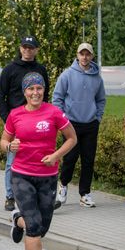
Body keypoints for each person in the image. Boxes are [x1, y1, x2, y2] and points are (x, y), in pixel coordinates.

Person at [0, 72, 77, 250]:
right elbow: (3, 141)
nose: (35, 93)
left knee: (41, 228)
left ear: (44, 90)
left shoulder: (54, 113)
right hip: (22, 175)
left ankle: (17, 220)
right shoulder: (15, 115)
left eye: (39, 88)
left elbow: (72, 138)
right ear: (24, 92)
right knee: (34, 227)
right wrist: (9, 147)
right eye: (30, 89)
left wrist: (55, 156)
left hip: (48, 177)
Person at [0, 35, 50, 211]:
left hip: (37, 123)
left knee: (37, 157)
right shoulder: (10, 69)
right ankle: (10, 196)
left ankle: (36, 193)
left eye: (31, 48)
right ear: (20, 49)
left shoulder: (40, 70)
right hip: (16, 123)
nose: (27, 50)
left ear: (36, 50)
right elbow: (0, 96)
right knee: (12, 160)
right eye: (25, 47)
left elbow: (45, 95)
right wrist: (8, 119)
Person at [52, 42, 106, 209]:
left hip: (90, 124)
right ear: (77, 55)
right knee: (70, 159)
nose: (85, 57)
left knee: (88, 160)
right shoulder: (67, 75)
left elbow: (101, 100)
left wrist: (97, 117)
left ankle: (85, 194)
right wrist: (63, 120)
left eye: (87, 54)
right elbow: (57, 98)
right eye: (82, 54)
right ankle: (63, 185)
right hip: (71, 124)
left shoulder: (97, 78)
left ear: (91, 56)